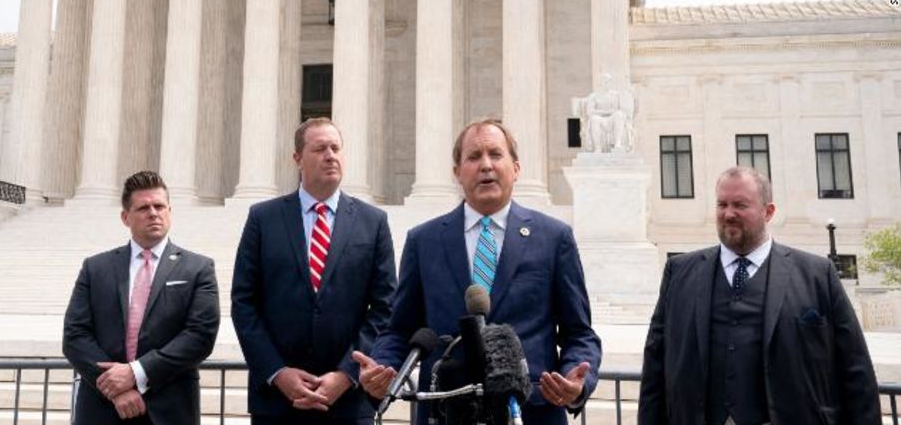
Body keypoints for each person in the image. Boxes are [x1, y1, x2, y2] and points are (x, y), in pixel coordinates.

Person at [356, 118, 602, 425]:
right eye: (473, 157)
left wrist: (576, 380)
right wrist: (380, 368)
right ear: (457, 172)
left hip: (531, 412)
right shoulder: (424, 241)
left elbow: (579, 334)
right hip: (446, 413)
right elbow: (398, 329)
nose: (485, 165)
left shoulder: (554, 238)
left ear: (516, 167)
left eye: (495, 155)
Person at [638, 166, 880, 425]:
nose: (728, 214)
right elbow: (655, 368)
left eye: (740, 205)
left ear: (769, 212)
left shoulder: (817, 275)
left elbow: (856, 372)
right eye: (722, 204)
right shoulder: (680, 272)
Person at [231, 117, 397, 424]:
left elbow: (385, 307)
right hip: (277, 403)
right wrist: (277, 372)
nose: (330, 155)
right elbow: (244, 303)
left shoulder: (373, 222)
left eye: (336, 148)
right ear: (297, 158)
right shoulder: (262, 219)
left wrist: (347, 374)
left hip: (348, 403)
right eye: (320, 148)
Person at [63, 171, 220, 424]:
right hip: (103, 408)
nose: (153, 213)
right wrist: (116, 388)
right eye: (143, 208)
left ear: (170, 210)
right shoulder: (95, 268)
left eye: (159, 206)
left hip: (169, 408)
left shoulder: (198, 268)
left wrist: (136, 373)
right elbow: (75, 335)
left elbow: (200, 336)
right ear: (126, 217)